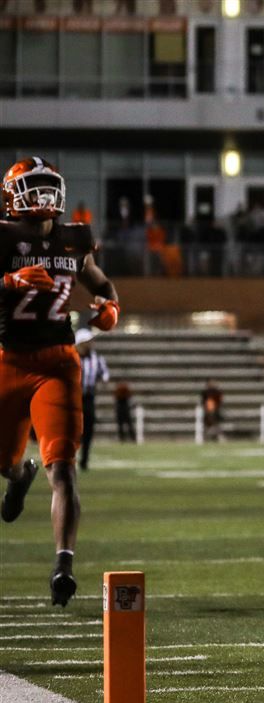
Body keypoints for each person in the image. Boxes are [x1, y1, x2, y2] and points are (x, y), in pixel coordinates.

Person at [0, 156, 121, 607]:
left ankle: (63, 565)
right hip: (8, 359)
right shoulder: (4, 235)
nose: (43, 194)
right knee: (5, 460)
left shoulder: (74, 238)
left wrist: (111, 309)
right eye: (33, 186)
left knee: (64, 468)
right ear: (13, 195)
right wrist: (9, 280)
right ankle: (17, 475)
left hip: (58, 363)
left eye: (48, 185)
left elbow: (102, 285)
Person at [76, 328, 109, 470]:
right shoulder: (72, 357)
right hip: (72, 398)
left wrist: (102, 382)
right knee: (72, 429)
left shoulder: (96, 359)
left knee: (88, 428)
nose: (91, 344)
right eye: (88, 342)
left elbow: (105, 374)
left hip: (88, 397)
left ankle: (84, 459)